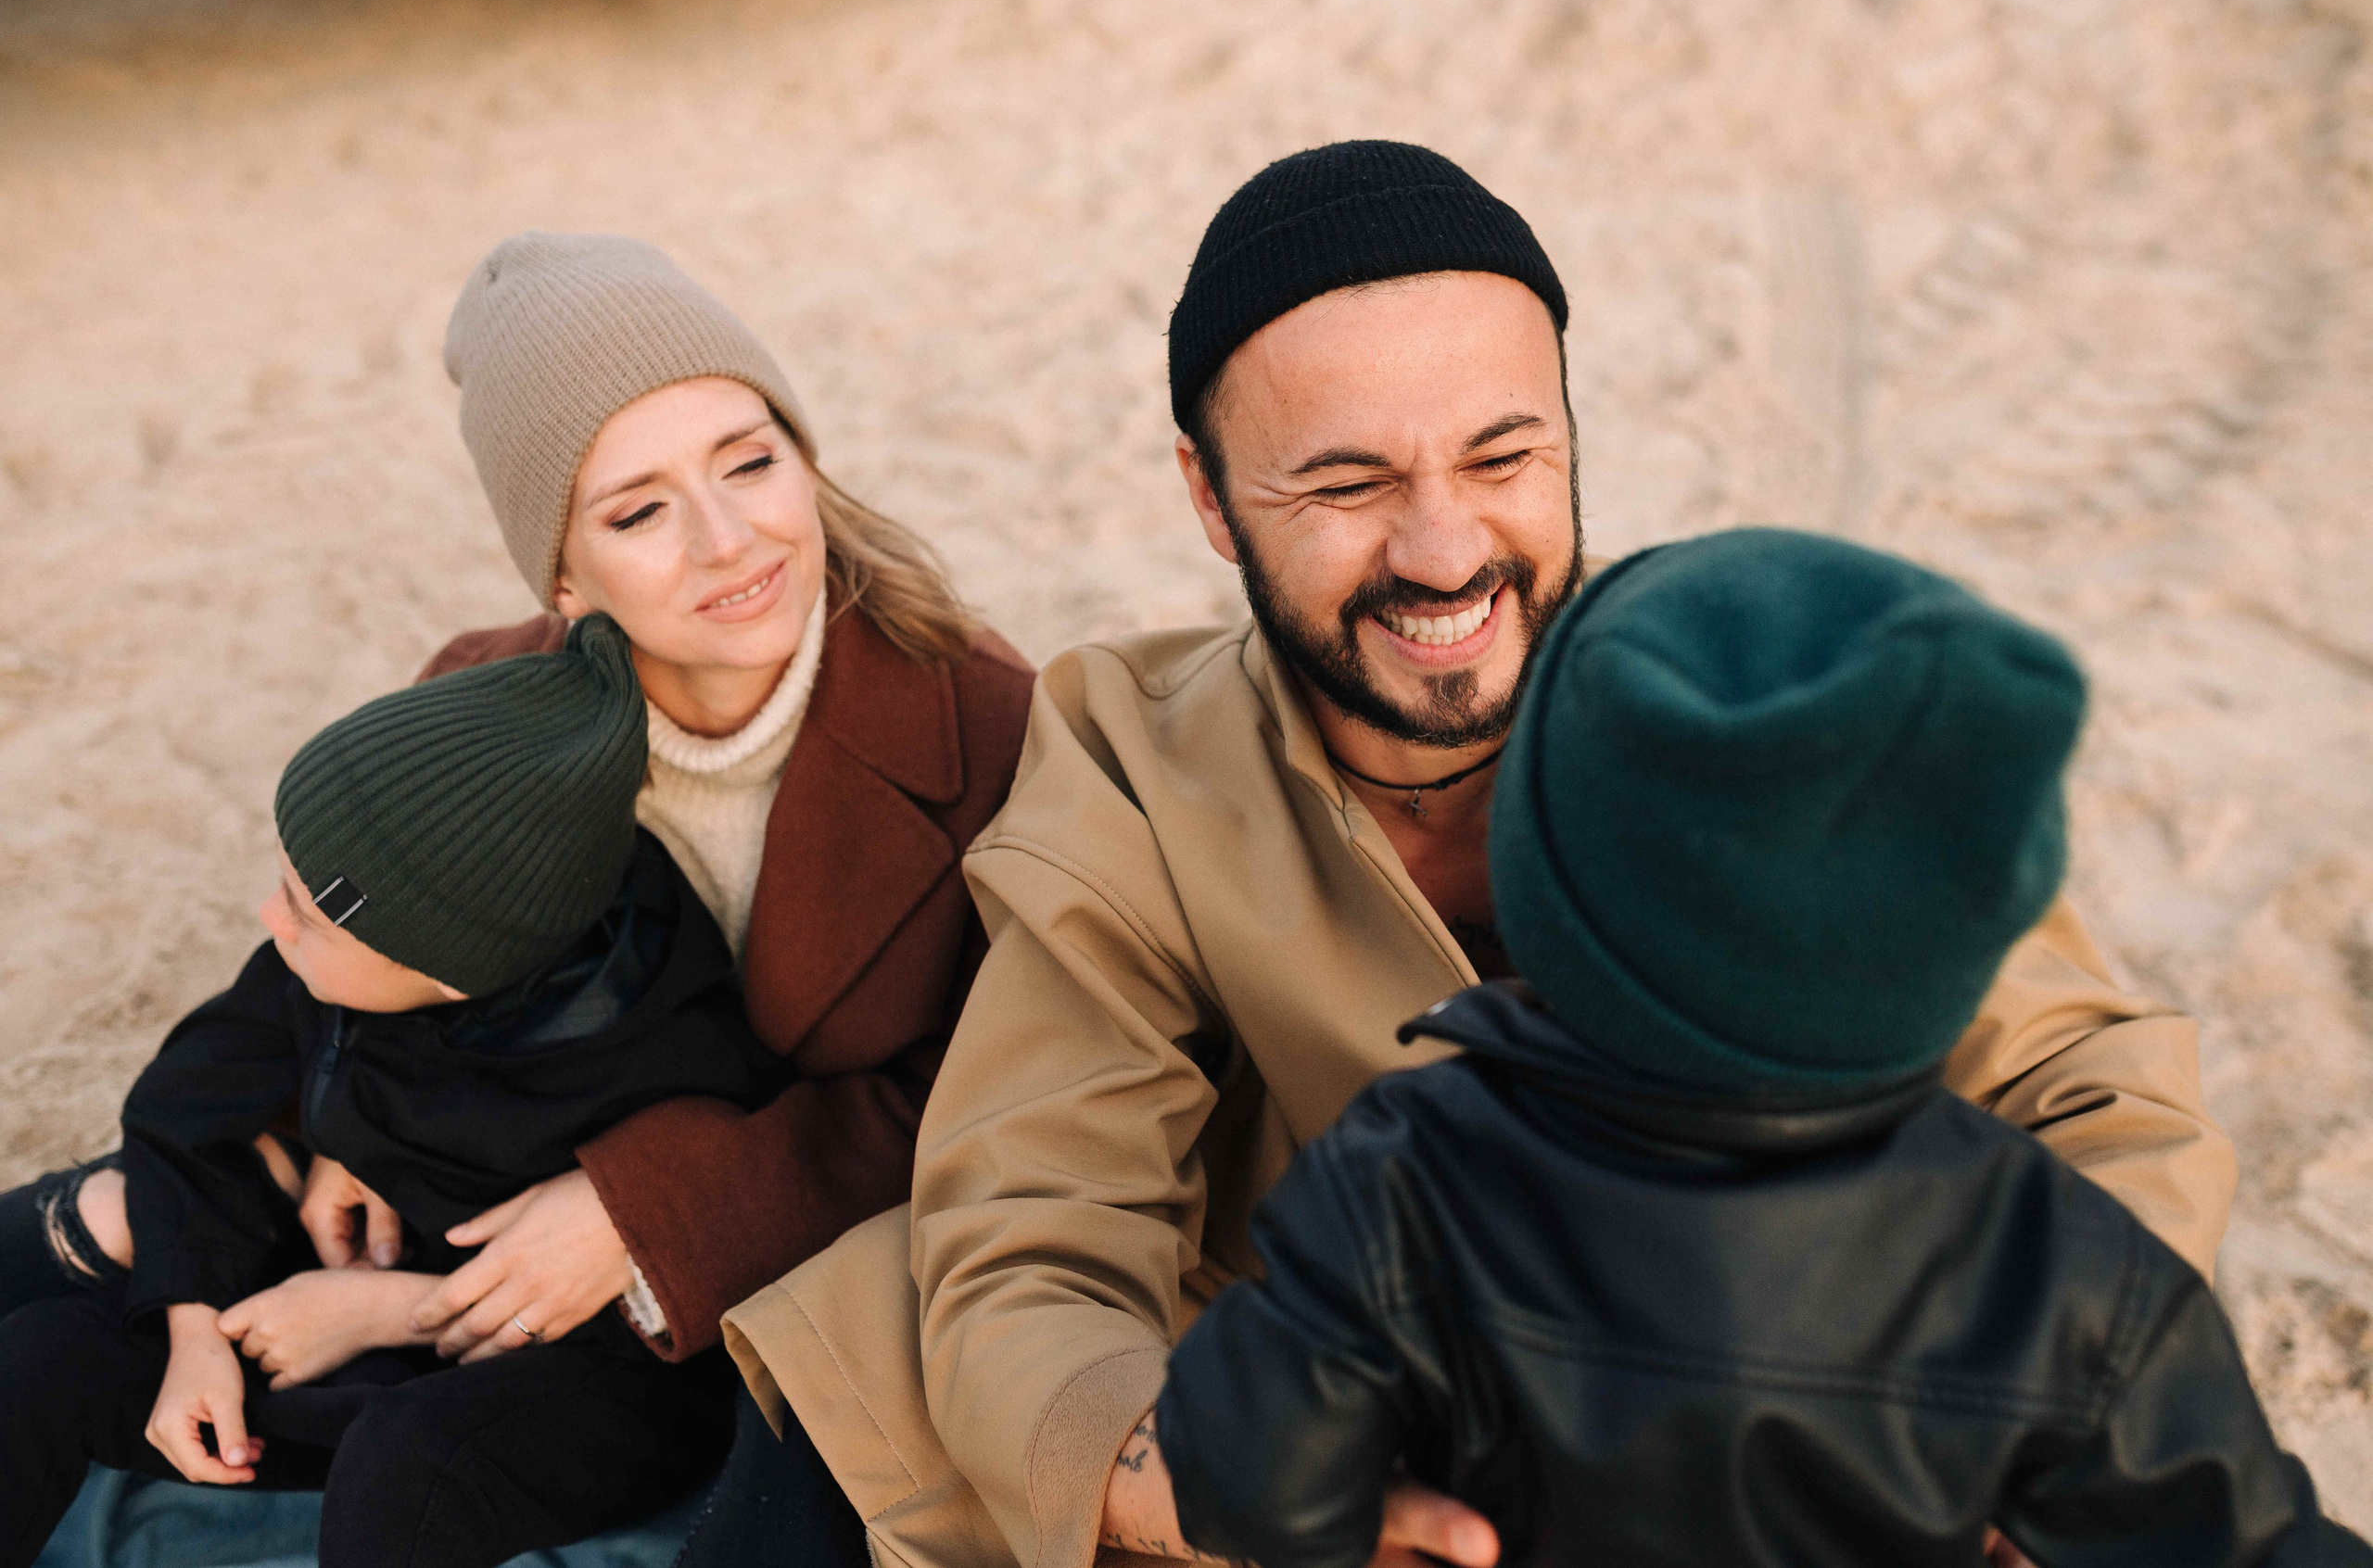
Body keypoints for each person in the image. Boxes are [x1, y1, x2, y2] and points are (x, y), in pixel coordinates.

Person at [716, 141, 2240, 1568]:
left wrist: (2009, 1433)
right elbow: (1038, 1226)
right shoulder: (1131, 752)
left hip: (1775, 1369)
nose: (1446, 553)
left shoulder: (1747, 689)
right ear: (1208, 494)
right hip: (1336, 1379)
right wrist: (1221, 1490)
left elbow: (2094, 1091)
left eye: (1503, 457)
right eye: (1347, 484)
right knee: (892, 1349)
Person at [3, 233, 1034, 1562]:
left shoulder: (989, 729)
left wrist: (640, 1210)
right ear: (560, 574)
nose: (730, 540)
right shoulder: (477, 700)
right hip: (449, 1186)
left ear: (805, 456)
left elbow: (995, 1103)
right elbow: (348, 958)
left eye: (750, 461)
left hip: (726, 1275)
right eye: (638, 511)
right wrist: (344, 1119)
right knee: (98, 1229)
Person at [1153, 527, 2367, 1568]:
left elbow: (1243, 1462)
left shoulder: (1406, 1172)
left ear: (1544, 874)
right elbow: (2246, 1540)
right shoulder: (2049, 1258)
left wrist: (1334, 1507)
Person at [0, 614, 792, 1568]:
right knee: (47, 1349)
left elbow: (661, 1314)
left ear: (449, 975)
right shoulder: (366, 947)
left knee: (402, 1465)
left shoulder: (666, 1062)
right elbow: (190, 1095)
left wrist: (379, 1309)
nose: (270, 917)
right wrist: (194, 1326)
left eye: (307, 913)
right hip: (356, 1282)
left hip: (567, 1381)